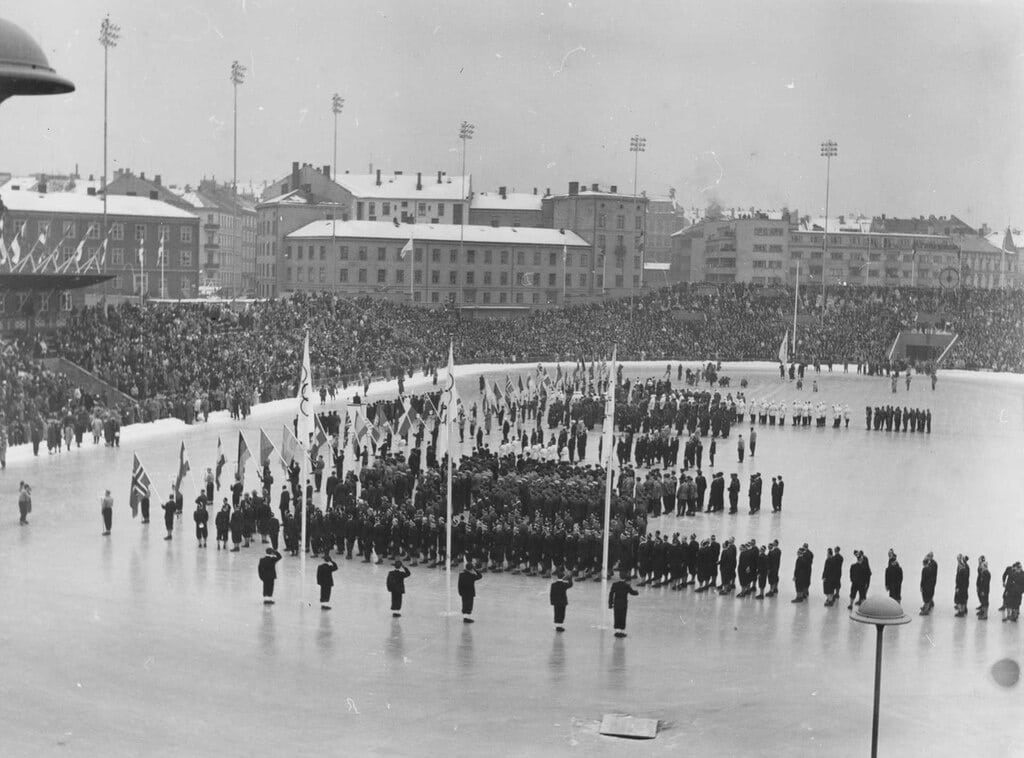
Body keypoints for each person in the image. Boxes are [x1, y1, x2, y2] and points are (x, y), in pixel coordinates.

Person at [608, 569, 639, 637]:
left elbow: (611, 594)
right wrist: (637, 592)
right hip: (623, 604)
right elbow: (633, 593)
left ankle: (617, 631)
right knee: (622, 617)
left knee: (616, 616)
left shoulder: (615, 584)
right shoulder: (626, 586)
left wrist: (610, 603)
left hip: (616, 603)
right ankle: (621, 631)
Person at [549, 567, 573, 632]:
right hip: (562, 602)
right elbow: (570, 585)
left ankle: (557, 625)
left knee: (556, 613)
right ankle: (560, 625)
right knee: (562, 614)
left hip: (556, 602)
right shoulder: (564, 584)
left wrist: (552, 602)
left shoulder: (553, 585)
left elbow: (551, 594)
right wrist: (570, 578)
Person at [976, 556, 990, 620]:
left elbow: (985, 584)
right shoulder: (984, 572)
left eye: (982, 566)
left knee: (985, 602)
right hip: (982, 589)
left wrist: (983, 591)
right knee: (983, 601)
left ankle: (985, 615)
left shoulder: (986, 573)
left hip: (984, 590)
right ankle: (983, 613)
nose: (981, 567)